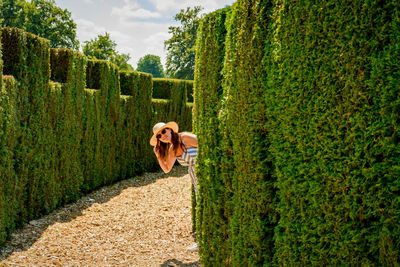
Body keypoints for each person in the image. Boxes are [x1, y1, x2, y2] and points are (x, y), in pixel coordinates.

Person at [150, 121, 199, 251]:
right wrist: (158, 155)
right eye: (159, 136)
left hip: (207, 171)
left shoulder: (185, 137)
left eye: (164, 131)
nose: (163, 135)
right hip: (195, 175)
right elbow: (166, 169)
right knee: (201, 206)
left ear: (170, 129)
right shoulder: (172, 149)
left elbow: (208, 146)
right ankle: (202, 241)